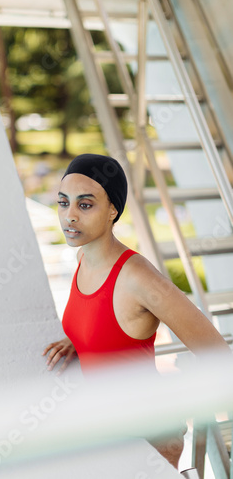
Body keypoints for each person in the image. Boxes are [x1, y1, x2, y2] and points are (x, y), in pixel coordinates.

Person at [42, 153, 231, 469]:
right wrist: (78, 338)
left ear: (112, 210)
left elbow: (218, 354)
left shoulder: (138, 277)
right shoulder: (83, 259)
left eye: (85, 205)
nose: (69, 216)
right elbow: (107, 325)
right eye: (64, 203)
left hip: (147, 437)